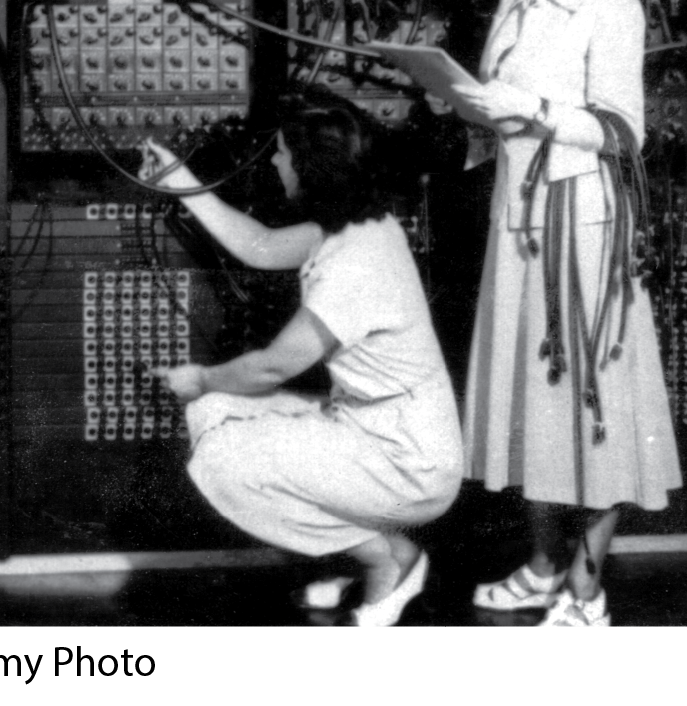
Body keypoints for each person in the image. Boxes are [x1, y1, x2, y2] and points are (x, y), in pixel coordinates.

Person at [447, 0, 681, 627]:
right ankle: (545, 567)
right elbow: (501, 110)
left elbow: (621, 130)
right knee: (531, 407)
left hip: (584, 228)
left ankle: (586, 589)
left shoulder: (607, 4)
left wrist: (529, 105)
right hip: (517, 222)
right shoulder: (515, 0)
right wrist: (463, 103)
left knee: (595, 410)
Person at [142, 90, 462, 626]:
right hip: (374, 430)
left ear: (312, 168)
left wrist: (198, 376)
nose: (274, 161)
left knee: (223, 459)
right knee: (212, 414)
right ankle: (363, 553)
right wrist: (181, 181)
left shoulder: (354, 264)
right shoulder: (359, 225)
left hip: (407, 463)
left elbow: (272, 367)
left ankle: (386, 560)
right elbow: (262, 247)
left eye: (284, 154)